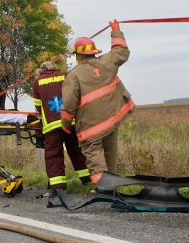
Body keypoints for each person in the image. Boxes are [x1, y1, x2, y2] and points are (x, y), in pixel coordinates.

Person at [61, 21, 135, 190]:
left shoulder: (74, 76)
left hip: (91, 127)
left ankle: (102, 189)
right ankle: (112, 186)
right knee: (110, 156)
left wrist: (65, 126)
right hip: (112, 120)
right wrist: (116, 31)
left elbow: (69, 105)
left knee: (95, 157)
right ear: (94, 52)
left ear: (78, 55)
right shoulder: (107, 62)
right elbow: (121, 51)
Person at [32, 60, 91, 195]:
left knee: (53, 155)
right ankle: (87, 181)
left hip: (51, 126)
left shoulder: (37, 82)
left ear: (42, 70)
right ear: (55, 68)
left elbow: (39, 108)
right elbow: (76, 96)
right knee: (77, 152)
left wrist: (39, 131)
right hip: (70, 122)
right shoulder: (66, 75)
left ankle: (58, 187)